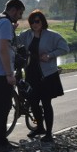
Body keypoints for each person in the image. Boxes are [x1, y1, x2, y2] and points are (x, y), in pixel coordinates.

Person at [18, 9, 69, 142]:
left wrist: (50, 55)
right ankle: (40, 127)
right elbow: (14, 41)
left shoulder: (52, 35)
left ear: (42, 22)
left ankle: (49, 133)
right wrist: (11, 29)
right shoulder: (27, 35)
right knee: (33, 102)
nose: (34, 24)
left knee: (46, 103)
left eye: (37, 21)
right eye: (32, 22)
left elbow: (65, 48)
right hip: (31, 73)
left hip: (47, 75)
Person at [0, 0, 27, 152]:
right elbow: (3, 49)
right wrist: (9, 73)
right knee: (2, 108)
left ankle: (0, 140)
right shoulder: (5, 24)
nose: (20, 17)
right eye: (20, 13)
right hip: (0, 71)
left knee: (1, 106)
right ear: (13, 10)